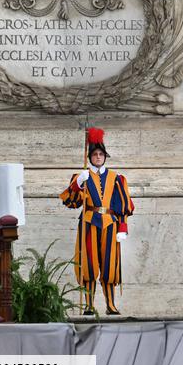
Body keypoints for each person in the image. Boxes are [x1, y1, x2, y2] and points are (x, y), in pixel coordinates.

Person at [59, 127, 134, 315]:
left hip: (110, 223)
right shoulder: (81, 178)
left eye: (101, 154)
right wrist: (77, 184)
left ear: (105, 156)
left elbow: (122, 204)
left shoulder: (116, 178)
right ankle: (89, 305)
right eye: (95, 154)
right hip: (89, 223)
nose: (98, 157)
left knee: (109, 265)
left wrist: (122, 227)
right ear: (90, 157)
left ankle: (111, 305)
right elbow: (71, 202)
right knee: (89, 264)